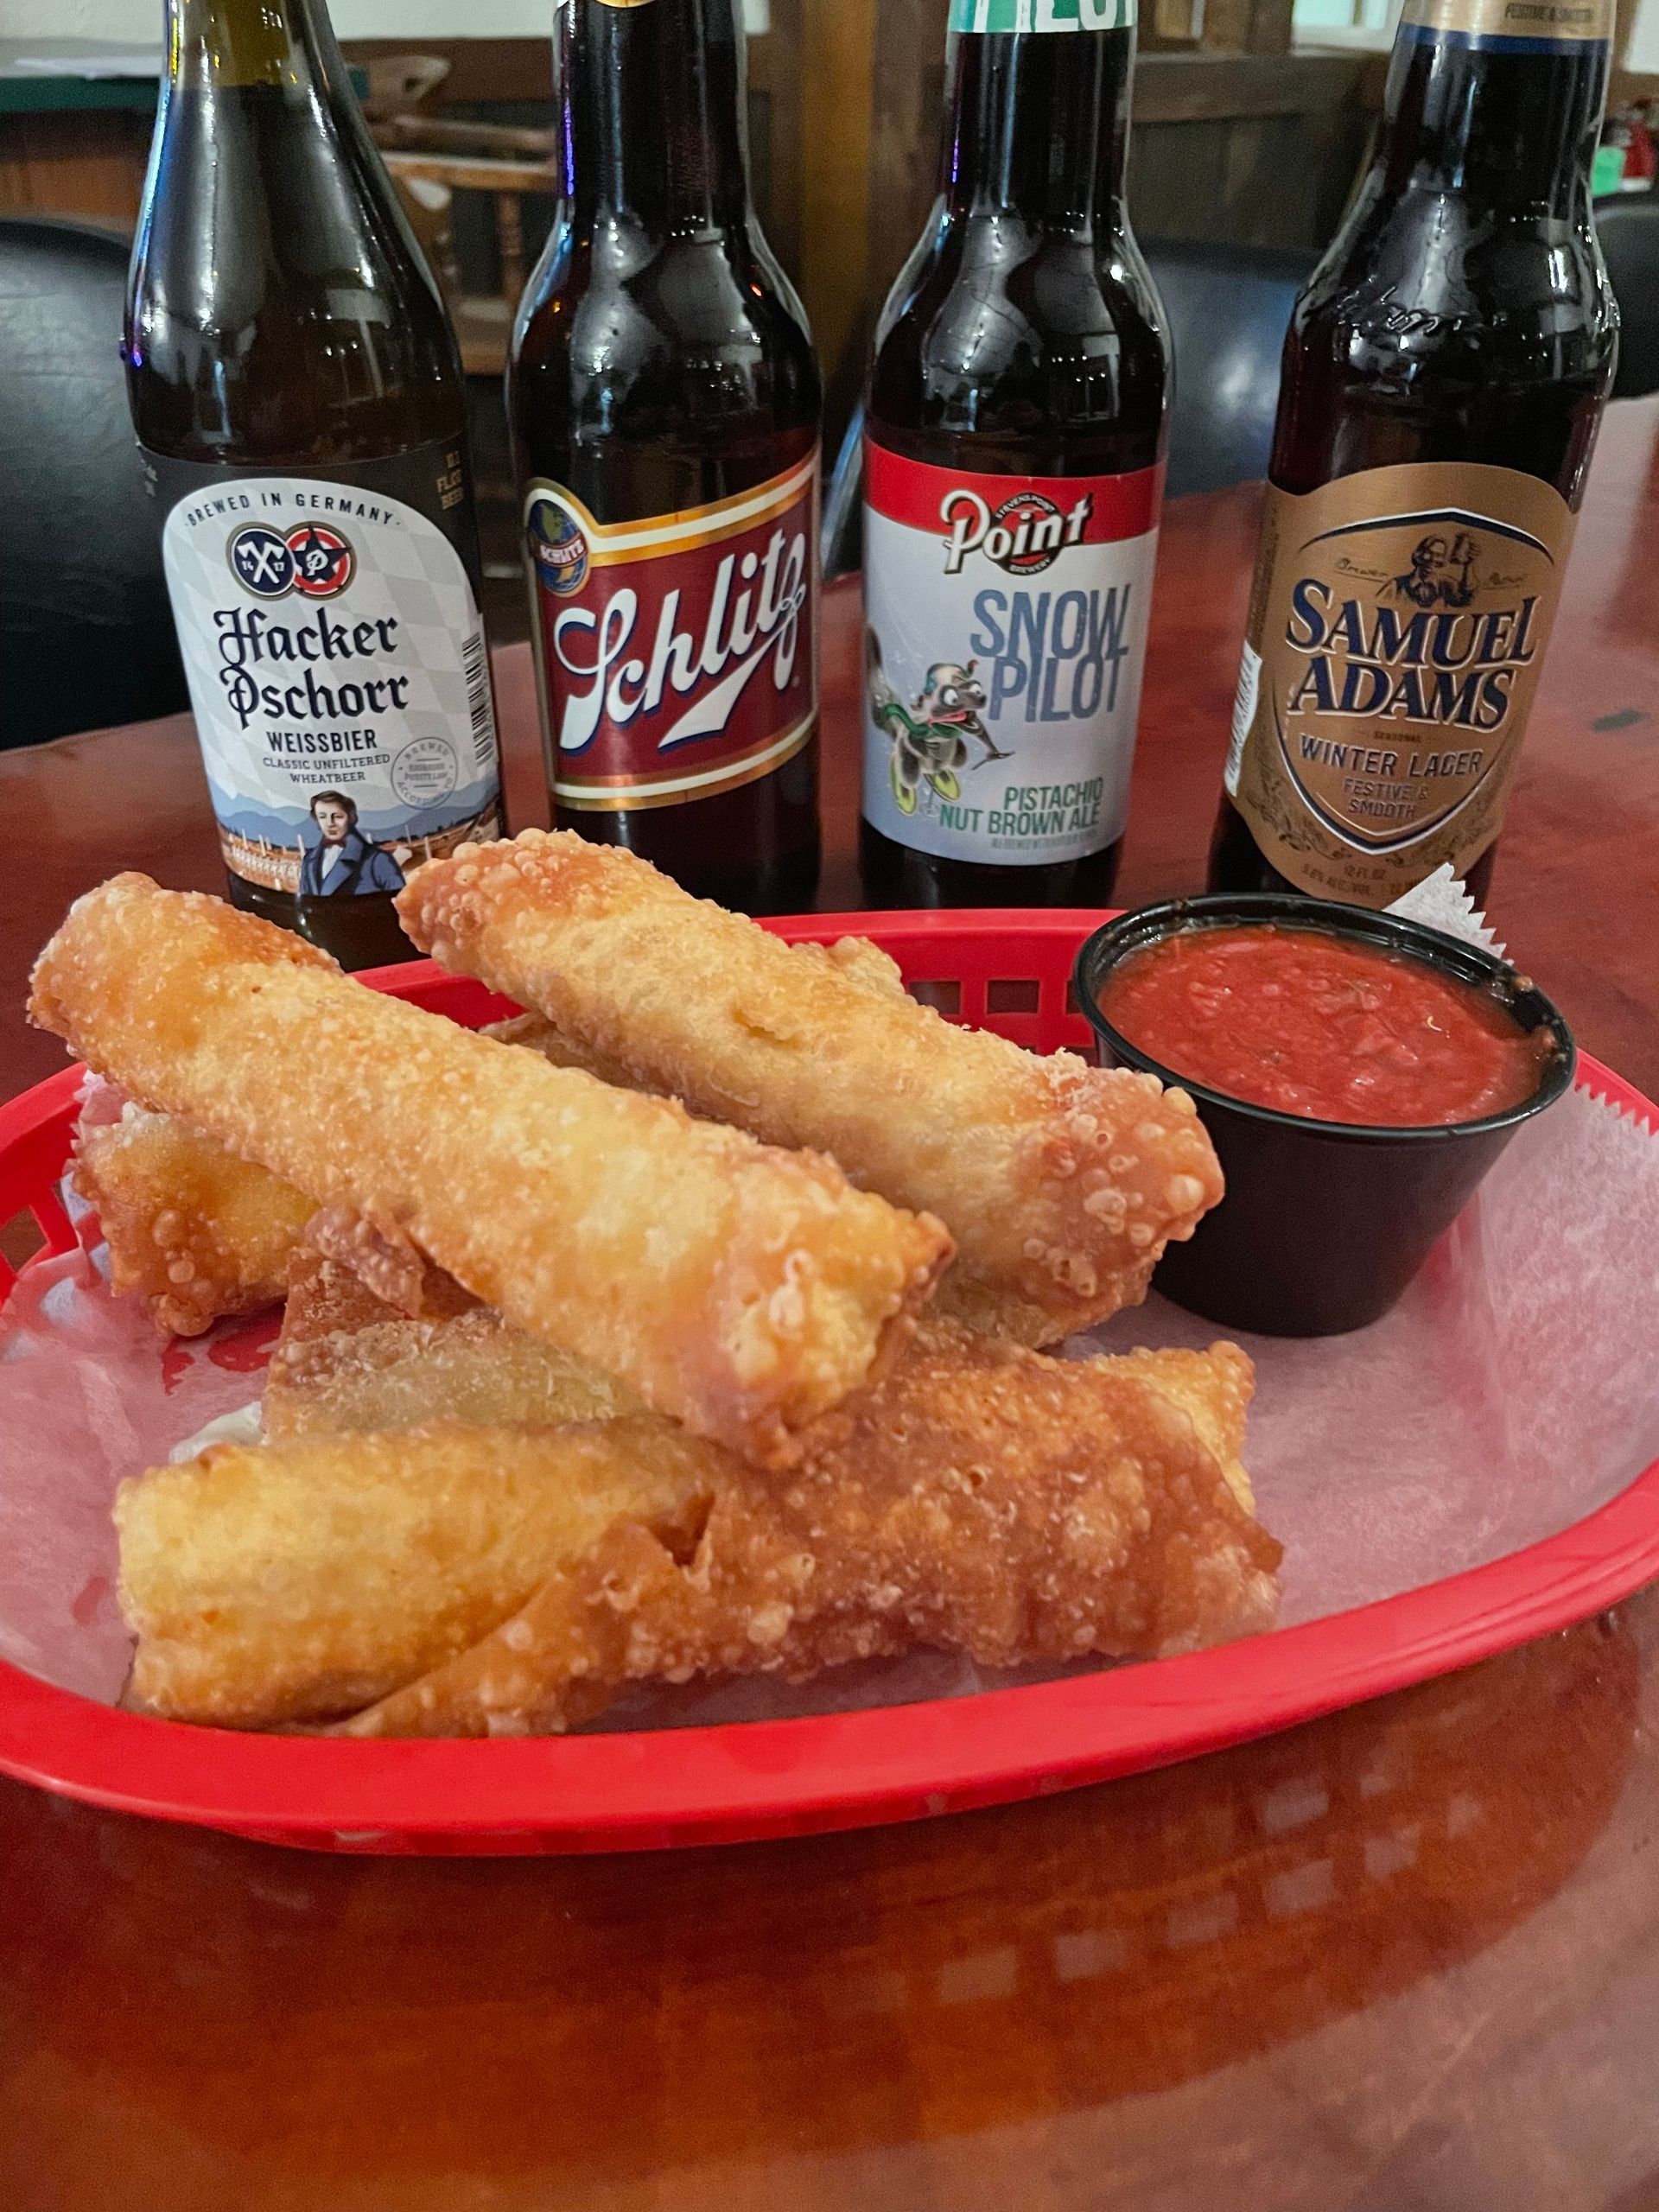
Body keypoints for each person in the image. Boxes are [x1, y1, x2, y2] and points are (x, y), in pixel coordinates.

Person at [298, 791, 405, 898]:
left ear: (350, 817)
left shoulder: (377, 860)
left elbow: (402, 903)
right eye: (322, 817)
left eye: (338, 816)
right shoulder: (309, 861)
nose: (330, 823)